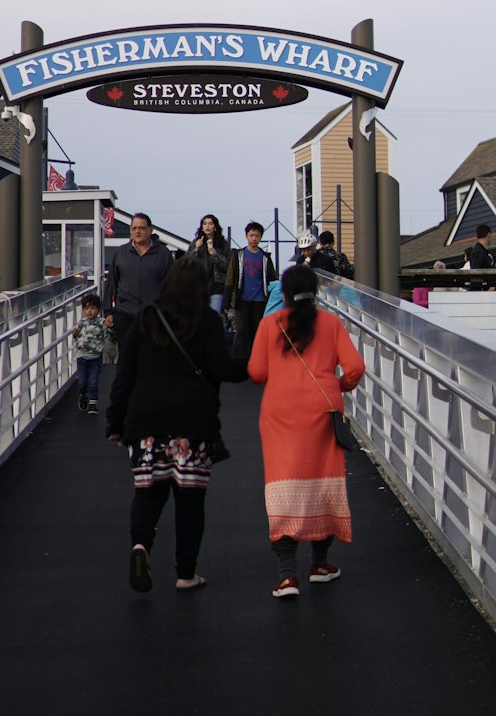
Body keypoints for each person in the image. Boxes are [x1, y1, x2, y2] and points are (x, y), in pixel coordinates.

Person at [106, 256, 246, 593]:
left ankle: (141, 546)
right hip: (192, 423)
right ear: (200, 286)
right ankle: (185, 574)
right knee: (190, 499)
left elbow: (125, 375)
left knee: (148, 492)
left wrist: (115, 420)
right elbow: (223, 368)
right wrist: (259, 364)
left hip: (146, 419)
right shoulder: (208, 320)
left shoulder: (146, 318)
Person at [247, 262, 365, 600]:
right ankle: (320, 564)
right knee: (322, 482)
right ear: (316, 292)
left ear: (282, 293)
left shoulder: (270, 324)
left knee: (283, 483)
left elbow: (256, 372)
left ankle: (287, 575)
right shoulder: (331, 323)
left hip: (280, 414)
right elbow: (356, 366)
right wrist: (339, 385)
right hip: (323, 410)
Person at [105, 212, 175, 351]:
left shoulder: (163, 254)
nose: (137, 231)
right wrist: (108, 312)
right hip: (125, 313)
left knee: (153, 358)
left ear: (150, 230)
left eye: (141, 228)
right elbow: (111, 283)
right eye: (134, 228)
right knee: (126, 358)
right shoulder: (121, 253)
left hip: (154, 315)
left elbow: (172, 286)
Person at [224, 221, 278, 362]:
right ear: (247, 236)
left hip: (260, 301)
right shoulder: (238, 255)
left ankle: (257, 361)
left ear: (261, 237)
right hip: (242, 300)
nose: (254, 238)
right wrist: (227, 302)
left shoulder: (265, 257)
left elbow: (273, 279)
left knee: (257, 332)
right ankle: (238, 361)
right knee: (241, 331)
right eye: (251, 235)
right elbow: (230, 279)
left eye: (257, 236)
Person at [187, 214, 230, 315]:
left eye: (210, 224)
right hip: (199, 286)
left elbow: (229, 266)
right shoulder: (196, 242)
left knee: (214, 316)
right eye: (204, 223)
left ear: (215, 227)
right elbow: (187, 263)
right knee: (199, 317)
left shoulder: (223, 243)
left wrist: (215, 255)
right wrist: (196, 250)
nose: (207, 226)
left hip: (217, 287)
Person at [72, 292, 106, 414]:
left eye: (93, 308)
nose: (89, 311)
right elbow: (78, 338)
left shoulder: (101, 322)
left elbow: (108, 334)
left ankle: (93, 404)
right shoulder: (81, 323)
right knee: (81, 382)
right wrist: (75, 334)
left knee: (93, 381)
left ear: (98, 309)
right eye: (86, 309)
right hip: (82, 356)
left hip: (96, 356)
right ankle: (83, 395)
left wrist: (110, 327)